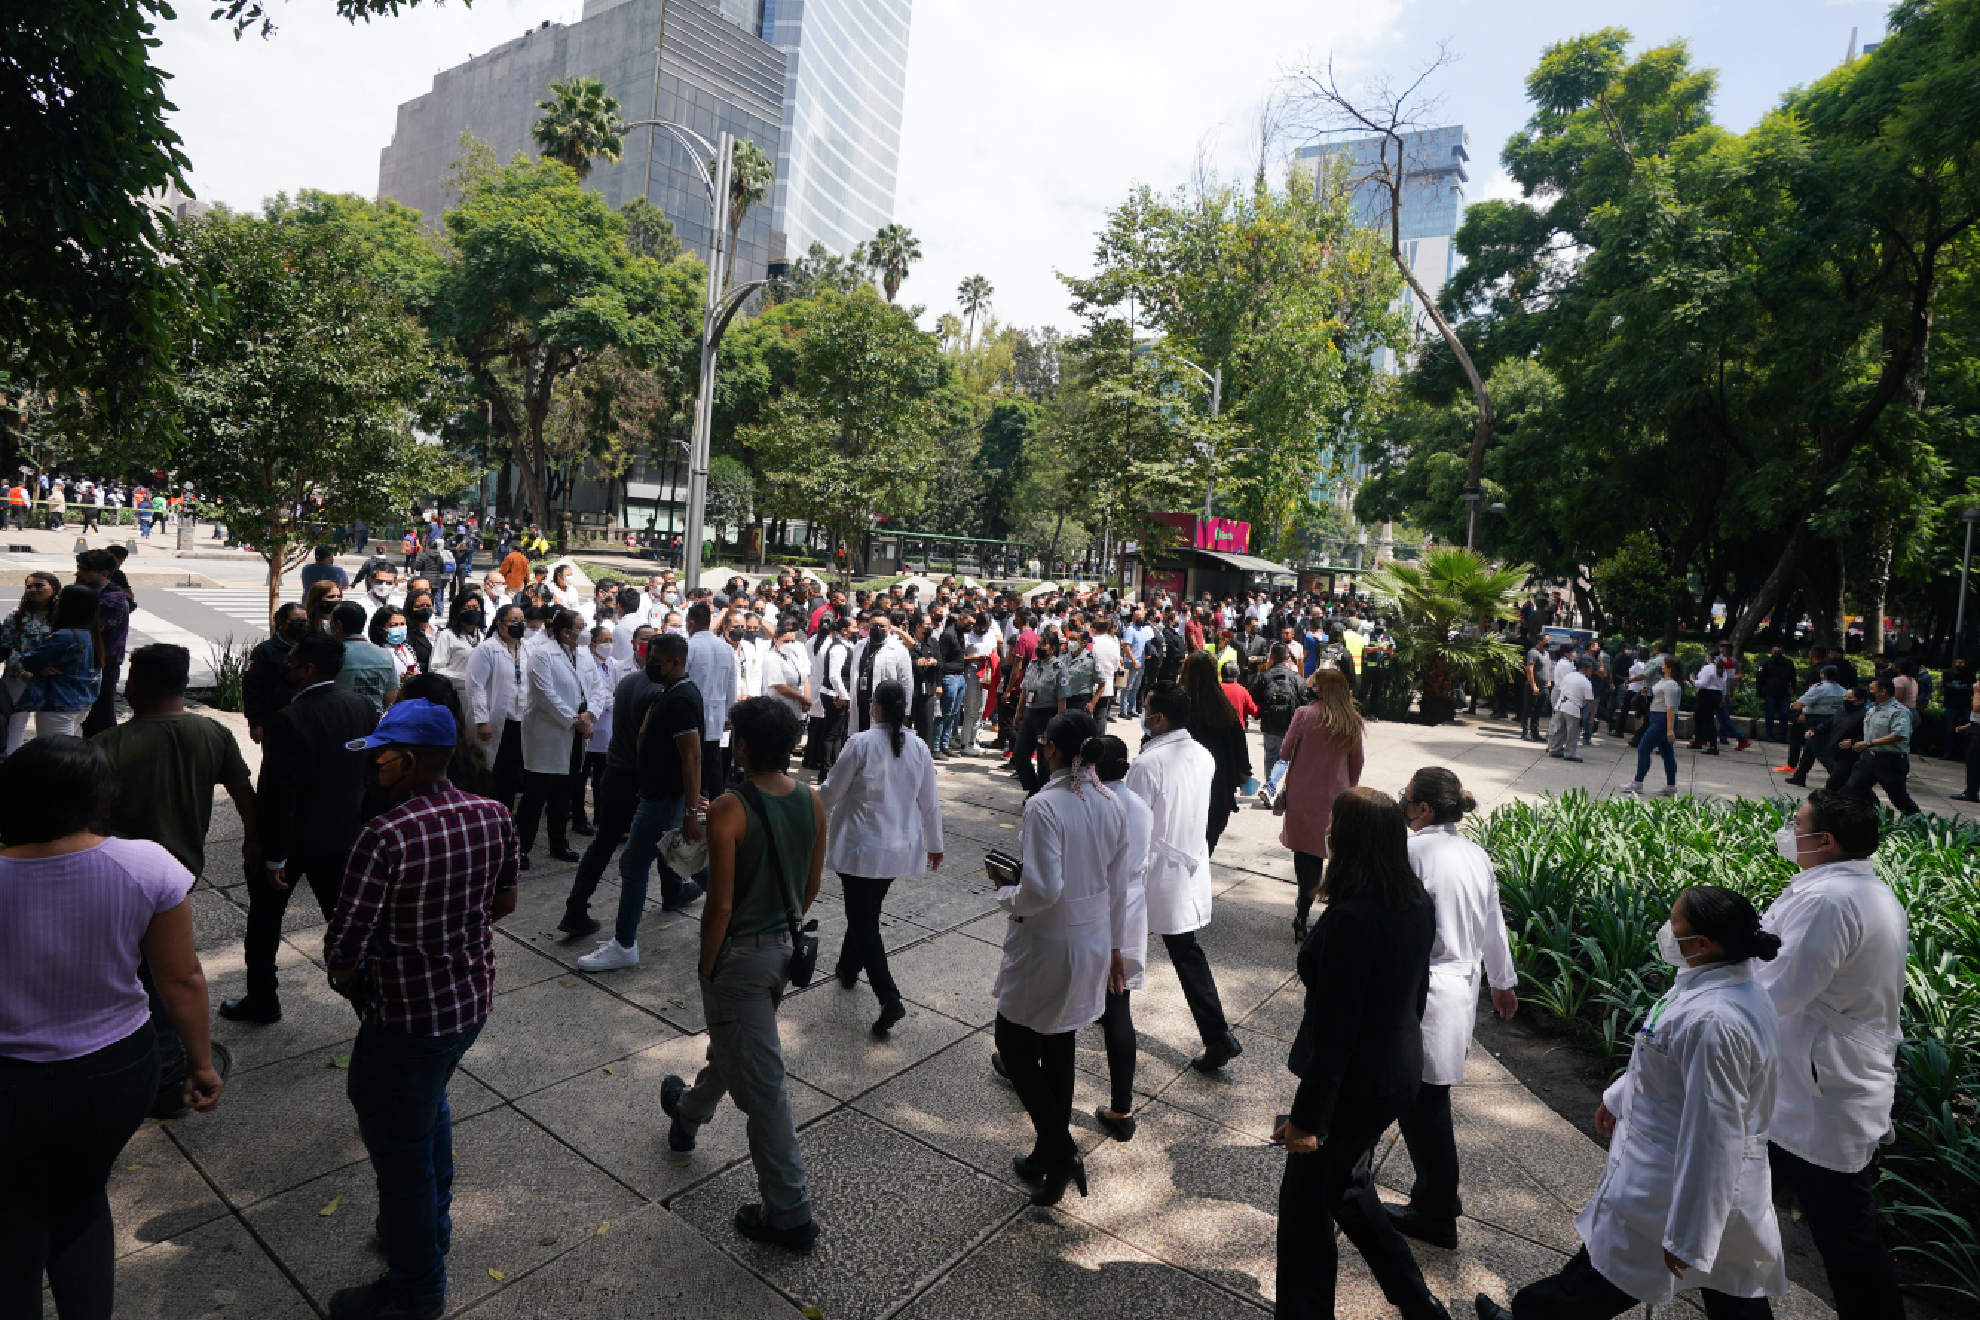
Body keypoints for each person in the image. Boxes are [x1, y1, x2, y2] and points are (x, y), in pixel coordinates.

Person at [1476, 885, 1784, 1320]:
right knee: (1731, 1293)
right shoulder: (1707, 985)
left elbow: (1713, 1136)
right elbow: (1660, 1053)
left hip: (1677, 1187)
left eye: (1673, 924)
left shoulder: (1715, 1020)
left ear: (1702, 943)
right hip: (1688, 1184)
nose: (1665, 930)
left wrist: (1689, 1237)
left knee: (1605, 1274)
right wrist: (1620, 1097)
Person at [0, 738, 224, 1319]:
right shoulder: (145, 865)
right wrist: (201, 1064)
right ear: (100, 796)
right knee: (80, 1205)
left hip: (9, 1081)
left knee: (13, 1219)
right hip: (113, 1069)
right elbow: (182, 981)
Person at [324, 700, 518, 1320]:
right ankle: (428, 1227)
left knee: (399, 1147)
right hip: (469, 1002)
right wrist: (452, 925)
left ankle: (417, 1288)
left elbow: (343, 945)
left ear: (407, 762)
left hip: (405, 1017)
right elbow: (505, 902)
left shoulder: (386, 835)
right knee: (425, 1107)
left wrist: (357, 979)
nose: (375, 762)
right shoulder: (492, 814)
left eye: (383, 752)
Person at [1272, 787, 1448, 1320]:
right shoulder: (1414, 898)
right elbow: (1414, 996)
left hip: (1356, 1081)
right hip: (1396, 1072)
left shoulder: (1353, 917)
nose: (1326, 833)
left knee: (1304, 1209)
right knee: (1346, 1187)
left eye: (1333, 827)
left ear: (1349, 841)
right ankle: (1419, 1304)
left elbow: (1336, 1033)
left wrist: (1307, 1120)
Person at [659, 697, 825, 1253]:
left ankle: (790, 1213)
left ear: (743, 745)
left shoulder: (731, 806)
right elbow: (810, 887)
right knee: (739, 1047)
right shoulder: (812, 800)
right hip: (783, 949)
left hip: (739, 958)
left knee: (765, 1087)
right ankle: (687, 1114)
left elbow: (719, 906)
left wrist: (709, 965)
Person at [1756, 791, 1908, 1320]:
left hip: (1818, 1092)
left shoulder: (1830, 901)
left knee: (1847, 1236)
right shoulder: (1863, 892)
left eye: (1797, 824)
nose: (1787, 830)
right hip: (1814, 1084)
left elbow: (1780, 988)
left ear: (1826, 841)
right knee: (1723, 1202)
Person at [992, 710, 1133, 1208]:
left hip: (1050, 942)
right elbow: (1117, 884)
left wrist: (1010, 894)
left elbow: (1044, 889)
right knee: (1058, 1044)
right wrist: (1115, 943)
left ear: (1051, 748)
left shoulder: (1044, 806)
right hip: (1092, 936)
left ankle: (1062, 1146)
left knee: (1012, 1045)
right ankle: (1046, 1157)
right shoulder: (1111, 802)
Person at [1385, 767, 1518, 1252]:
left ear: (1422, 808)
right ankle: (1434, 1203)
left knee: (1424, 1107)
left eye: (1407, 796)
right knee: (1423, 1103)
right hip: (1458, 988)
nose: (1402, 802)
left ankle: (1436, 1210)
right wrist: (1503, 982)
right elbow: (1493, 923)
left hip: (1424, 989)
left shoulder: (1411, 851)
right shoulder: (1474, 853)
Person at [223, 633, 377, 1024]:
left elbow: (279, 793)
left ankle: (262, 999)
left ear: (308, 670)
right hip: (342, 837)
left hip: (293, 843)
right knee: (344, 924)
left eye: (292, 661)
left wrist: (273, 855)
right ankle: (371, 1004)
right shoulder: (360, 706)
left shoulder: (288, 719)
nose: (285, 667)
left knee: (264, 925)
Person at [1126, 681, 1241, 1072]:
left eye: (1146, 709)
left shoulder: (1146, 764)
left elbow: (1132, 825)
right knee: (1185, 951)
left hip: (1149, 870)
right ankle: (1217, 1033)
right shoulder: (1202, 754)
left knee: (1117, 942)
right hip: (1183, 864)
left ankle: (1109, 1015)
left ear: (1157, 719)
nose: (1143, 714)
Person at [819, 680, 943, 1036]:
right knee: (864, 910)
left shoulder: (860, 744)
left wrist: (801, 799)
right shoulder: (918, 746)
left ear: (874, 706)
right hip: (895, 847)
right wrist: (934, 844)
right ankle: (847, 967)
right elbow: (930, 803)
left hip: (862, 847)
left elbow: (830, 793)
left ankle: (889, 997)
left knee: (863, 920)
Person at [579, 633, 705, 970]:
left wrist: (692, 810)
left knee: (635, 865)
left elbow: (691, 758)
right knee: (685, 857)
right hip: (656, 793)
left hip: (663, 799)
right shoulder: (669, 691)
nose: (649, 664)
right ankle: (740, 912)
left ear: (675, 662)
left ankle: (624, 943)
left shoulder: (680, 698)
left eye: (656, 660)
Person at [1082, 733, 1150, 1144]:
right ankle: (1121, 1106)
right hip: (1130, 915)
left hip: (1097, 914)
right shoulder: (1138, 805)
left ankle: (1026, 1064)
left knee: (1064, 998)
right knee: (1118, 1007)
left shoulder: (1097, 805)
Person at [1276, 668, 1366, 941]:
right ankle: (1332, 914)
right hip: (1336, 796)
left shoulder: (1304, 715)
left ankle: (1302, 913)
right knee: (1334, 853)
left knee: (1306, 856)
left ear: (1320, 690)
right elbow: (1357, 762)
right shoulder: (1352, 719)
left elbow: (1283, 751)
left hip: (1302, 793)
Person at [515, 608, 589, 868]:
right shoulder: (543, 655)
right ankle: (520, 848)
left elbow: (593, 687)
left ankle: (559, 843)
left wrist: (588, 714)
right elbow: (546, 696)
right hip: (547, 733)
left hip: (574, 732)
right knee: (536, 794)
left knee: (562, 793)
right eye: (580, 626)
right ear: (565, 631)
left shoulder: (579, 655)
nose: (584, 632)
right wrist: (574, 720)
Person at [1179, 651, 1250, 851]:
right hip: (1219, 785)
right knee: (1207, 841)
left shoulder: (1178, 707)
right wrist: (1244, 773)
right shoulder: (1225, 709)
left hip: (1184, 785)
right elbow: (1239, 744)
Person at [17, 583, 104, 742]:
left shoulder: (65, 636)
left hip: (60, 702)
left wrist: (39, 666)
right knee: (68, 750)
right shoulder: (90, 633)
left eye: (59, 598)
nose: (55, 601)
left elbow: (29, 660)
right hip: (82, 701)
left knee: (53, 752)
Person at [466, 603, 529, 810]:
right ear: (501, 625)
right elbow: (476, 686)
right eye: (513, 621)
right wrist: (482, 720)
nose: (519, 625)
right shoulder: (486, 649)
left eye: (521, 621)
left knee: (511, 774)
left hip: (519, 720)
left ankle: (505, 813)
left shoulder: (527, 648)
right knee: (491, 770)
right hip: (494, 720)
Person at [1836, 674, 1920, 814]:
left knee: (1899, 798)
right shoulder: (1873, 708)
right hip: (1869, 758)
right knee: (1851, 790)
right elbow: (1871, 733)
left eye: (1872, 689)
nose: (1869, 691)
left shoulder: (1899, 711)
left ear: (1883, 691)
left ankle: (1922, 825)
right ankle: (1867, 818)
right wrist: (1856, 742)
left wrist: (1868, 743)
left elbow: (1899, 735)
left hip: (1891, 761)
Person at [0, 571, 59, 754]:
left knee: (48, 723)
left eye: (39, 585)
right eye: (29, 586)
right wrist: (21, 669)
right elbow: (6, 645)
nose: (33, 590)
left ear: (54, 588)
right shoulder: (16, 615)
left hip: (50, 676)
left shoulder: (62, 616)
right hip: (18, 676)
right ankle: (9, 760)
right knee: (15, 721)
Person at [72, 551, 130, 738]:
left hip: (103, 665)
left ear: (103, 574)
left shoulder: (111, 600)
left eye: (83, 570)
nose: (77, 574)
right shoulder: (91, 593)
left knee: (101, 720)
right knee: (88, 720)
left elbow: (85, 631)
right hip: (90, 663)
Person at [1619, 656, 1684, 797]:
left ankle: (1638, 782)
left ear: (1669, 668)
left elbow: (1671, 708)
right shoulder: (1664, 681)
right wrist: (1647, 693)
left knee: (1644, 748)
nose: (1661, 666)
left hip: (1662, 720)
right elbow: (1660, 697)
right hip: (1657, 717)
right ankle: (1671, 786)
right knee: (1667, 753)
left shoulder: (1671, 685)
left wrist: (1670, 730)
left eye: (1664, 664)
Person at [331, 600, 401, 716]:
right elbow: (391, 698)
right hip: (374, 720)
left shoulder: (334, 654)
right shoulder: (384, 654)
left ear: (337, 625)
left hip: (342, 719)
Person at [1253, 642, 1305, 794]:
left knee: (1270, 755)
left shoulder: (1264, 676)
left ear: (1271, 656)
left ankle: (1269, 788)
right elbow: (1305, 700)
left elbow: (1253, 696)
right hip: (1289, 723)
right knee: (1284, 758)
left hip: (1268, 723)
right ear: (1288, 657)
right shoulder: (1295, 678)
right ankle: (1270, 787)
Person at [429, 592, 485, 700]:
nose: (472, 611)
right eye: (466, 608)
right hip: (457, 695)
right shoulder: (447, 635)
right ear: (458, 612)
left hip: (481, 696)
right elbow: (435, 670)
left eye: (475, 607)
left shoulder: (483, 635)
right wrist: (467, 678)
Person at [1548, 656, 1593, 762]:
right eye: (1591, 670)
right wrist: (1592, 715)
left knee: (1559, 729)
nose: (1591, 673)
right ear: (1583, 669)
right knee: (1572, 732)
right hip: (1573, 708)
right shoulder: (1586, 682)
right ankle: (1569, 753)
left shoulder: (1568, 676)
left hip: (1560, 705)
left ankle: (1554, 749)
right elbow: (1590, 701)